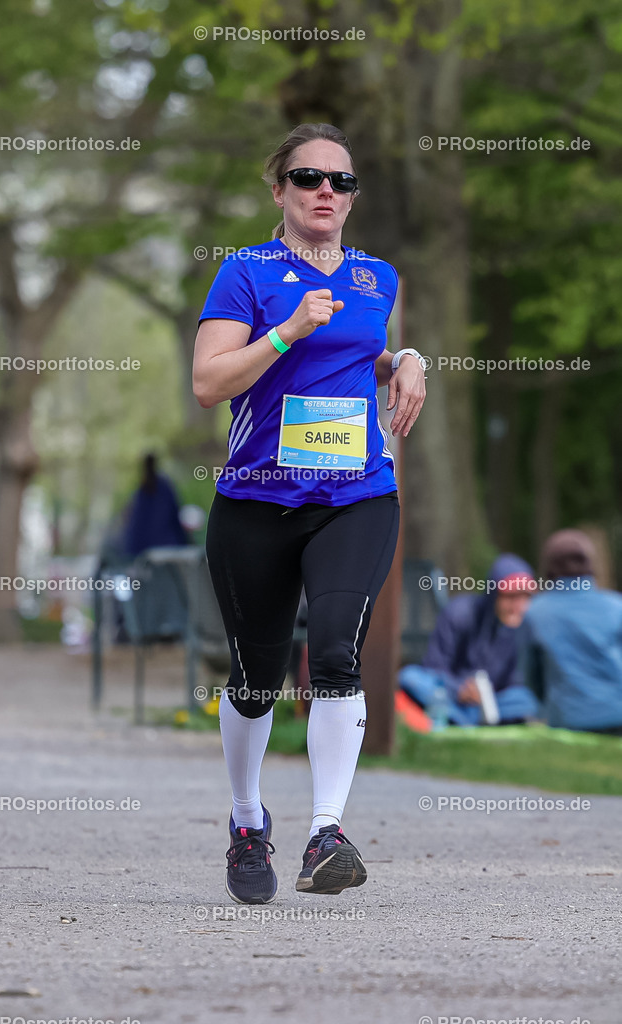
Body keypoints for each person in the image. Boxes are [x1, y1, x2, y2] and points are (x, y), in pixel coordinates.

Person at [193, 123, 427, 904]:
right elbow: (209, 382)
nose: (326, 191)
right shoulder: (244, 273)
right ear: (279, 191)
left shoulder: (376, 278)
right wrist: (285, 331)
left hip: (354, 495)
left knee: (333, 656)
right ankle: (244, 821)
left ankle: (325, 832)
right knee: (256, 678)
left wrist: (407, 361)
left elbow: (360, 355)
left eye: (341, 181)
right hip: (256, 502)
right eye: (307, 178)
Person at [399, 554, 541, 726]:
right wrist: (459, 689)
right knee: (410, 677)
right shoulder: (460, 613)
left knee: (525, 699)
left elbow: (513, 681)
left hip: (492, 702)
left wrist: (487, 697)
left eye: (524, 597)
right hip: (452, 695)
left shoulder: (521, 626)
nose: (517, 606)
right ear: (494, 593)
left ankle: (460, 720)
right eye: (510, 597)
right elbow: (434, 665)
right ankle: (467, 719)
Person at [521, 530, 622, 734]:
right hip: (617, 714)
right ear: (589, 566)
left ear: (550, 567)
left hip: (567, 720)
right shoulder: (616, 606)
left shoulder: (535, 612)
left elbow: (530, 675)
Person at [122, 453, 187, 558]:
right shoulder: (161, 487)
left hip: (144, 551)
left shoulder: (141, 492)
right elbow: (175, 515)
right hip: (166, 548)